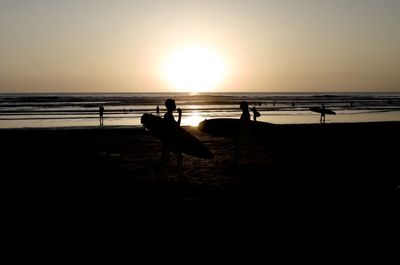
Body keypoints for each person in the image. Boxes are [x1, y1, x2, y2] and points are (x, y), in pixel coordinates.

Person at [162, 99, 183, 175]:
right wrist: (180, 114)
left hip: (168, 139)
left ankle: (177, 171)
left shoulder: (168, 115)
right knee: (178, 157)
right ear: (170, 106)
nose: (175, 106)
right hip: (170, 140)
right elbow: (177, 126)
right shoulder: (168, 115)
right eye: (174, 104)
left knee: (165, 157)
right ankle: (179, 172)